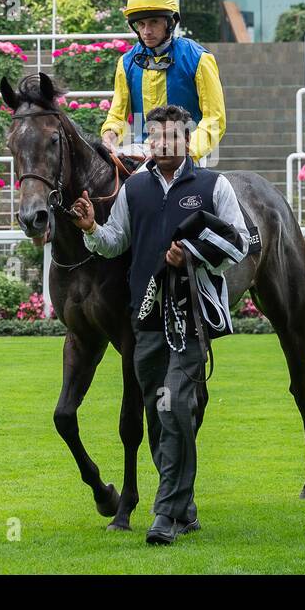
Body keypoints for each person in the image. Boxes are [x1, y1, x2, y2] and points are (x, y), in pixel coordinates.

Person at [73, 104, 250, 545]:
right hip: (146, 317)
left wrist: (191, 254)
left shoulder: (214, 185)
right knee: (158, 413)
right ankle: (185, 507)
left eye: (173, 137)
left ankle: (165, 515)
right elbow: (115, 245)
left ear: (187, 139)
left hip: (190, 315)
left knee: (172, 407)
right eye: (156, 137)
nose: (164, 144)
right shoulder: (134, 190)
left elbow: (241, 244)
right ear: (149, 140)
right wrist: (92, 226)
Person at [100, 0, 227, 164]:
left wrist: (186, 151)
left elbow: (215, 119)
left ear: (170, 22)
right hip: (142, 148)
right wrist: (109, 135)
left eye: (154, 22)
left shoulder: (199, 59)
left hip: (187, 152)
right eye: (141, 24)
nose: (147, 31)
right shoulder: (126, 63)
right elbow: (117, 116)